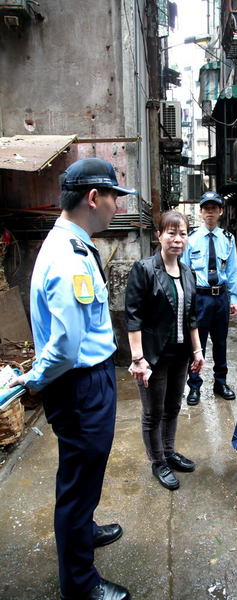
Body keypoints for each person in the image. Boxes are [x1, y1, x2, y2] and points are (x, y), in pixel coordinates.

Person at [9, 158, 132, 600]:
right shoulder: (68, 258)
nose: (119, 207)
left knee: (86, 472)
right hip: (80, 385)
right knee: (78, 483)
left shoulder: (74, 245)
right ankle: (79, 584)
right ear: (93, 198)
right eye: (115, 197)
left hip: (86, 381)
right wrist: (36, 379)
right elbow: (65, 346)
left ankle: (84, 530)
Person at [125, 210, 205, 491]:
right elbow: (133, 317)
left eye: (183, 233)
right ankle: (157, 460)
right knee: (153, 412)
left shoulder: (188, 272)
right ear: (159, 235)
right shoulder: (144, 269)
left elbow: (192, 316)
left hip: (180, 354)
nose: (177, 239)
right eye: (171, 233)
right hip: (153, 357)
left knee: (173, 406)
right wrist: (138, 358)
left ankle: (169, 452)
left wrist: (197, 351)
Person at [181, 191, 237, 406]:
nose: (210, 212)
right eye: (206, 208)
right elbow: (185, 272)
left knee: (221, 343)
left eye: (214, 208)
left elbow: (232, 271)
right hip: (200, 298)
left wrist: (234, 298)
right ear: (201, 211)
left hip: (220, 298)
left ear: (220, 211)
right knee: (198, 344)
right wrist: (187, 302)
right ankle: (194, 385)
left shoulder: (228, 239)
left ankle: (220, 382)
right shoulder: (191, 239)